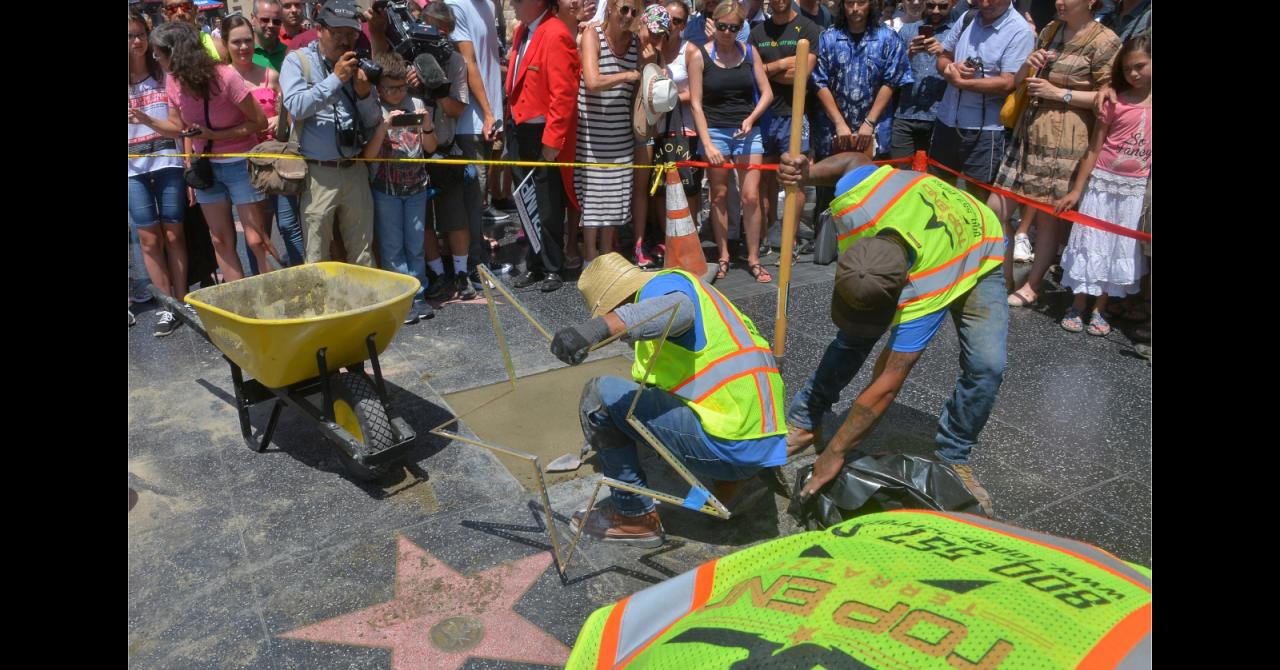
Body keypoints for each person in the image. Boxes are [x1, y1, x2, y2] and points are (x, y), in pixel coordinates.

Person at [779, 149, 1007, 516]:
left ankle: (953, 456)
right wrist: (807, 173)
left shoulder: (924, 289)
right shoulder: (861, 201)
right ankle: (806, 421)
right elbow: (853, 160)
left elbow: (888, 381)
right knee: (852, 338)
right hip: (926, 241)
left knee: (987, 366)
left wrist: (835, 453)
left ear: (902, 290)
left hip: (977, 247)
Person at [552, 253, 787, 547]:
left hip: (732, 442)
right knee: (638, 402)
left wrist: (594, 331)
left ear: (619, 303)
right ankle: (736, 481)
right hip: (761, 435)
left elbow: (678, 310)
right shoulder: (697, 291)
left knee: (597, 395)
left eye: (611, 313)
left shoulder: (662, 291)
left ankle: (633, 515)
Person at [998, 0, 1120, 308]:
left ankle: (1034, 285)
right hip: (1030, 128)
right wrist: (1029, 62)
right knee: (997, 206)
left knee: (1048, 217)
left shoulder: (1105, 41)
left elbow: (1109, 99)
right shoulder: (1051, 30)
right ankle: (1005, 276)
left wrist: (1060, 93)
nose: (1058, 2)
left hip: (1067, 136)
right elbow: (1019, 81)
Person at [145, 21, 270, 285]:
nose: (155, 58)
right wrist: (146, 121)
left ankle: (272, 291)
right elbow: (176, 127)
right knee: (220, 239)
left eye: (158, 53)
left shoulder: (225, 76)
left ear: (175, 52)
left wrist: (214, 135)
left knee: (256, 239)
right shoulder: (172, 81)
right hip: (206, 167)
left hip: (240, 162)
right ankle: (239, 298)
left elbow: (258, 123)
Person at [1053, 34, 1149, 336]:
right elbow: (1094, 148)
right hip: (1103, 184)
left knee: (1117, 247)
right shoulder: (1114, 101)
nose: (1132, 74)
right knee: (1091, 242)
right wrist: (1077, 190)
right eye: (1126, 69)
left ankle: (1100, 308)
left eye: (1140, 66)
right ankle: (1078, 304)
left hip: (1135, 190)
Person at [280, 0, 383, 266]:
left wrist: (363, 95)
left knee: (363, 251)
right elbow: (296, 106)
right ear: (319, 30)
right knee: (316, 254)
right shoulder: (298, 61)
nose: (345, 40)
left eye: (350, 33)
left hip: (355, 168)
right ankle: (321, 308)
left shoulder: (358, 62)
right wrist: (335, 79)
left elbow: (373, 119)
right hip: (318, 173)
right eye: (337, 32)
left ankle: (364, 306)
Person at [688, 0, 774, 283]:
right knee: (720, 196)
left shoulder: (749, 51)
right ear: (713, 24)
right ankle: (723, 254)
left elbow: (766, 93)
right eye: (722, 26)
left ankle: (753, 257)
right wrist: (708, 144)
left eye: (733, 28)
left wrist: (752, 119)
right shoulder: (700, 55)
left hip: (747, 131)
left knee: (751, 196)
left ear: (741, 28)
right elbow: (696, 104)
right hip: (715, 131)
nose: (726, 32)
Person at [507, 0, 582, 293]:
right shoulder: (522, 32)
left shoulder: (555, 33)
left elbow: (564, 94)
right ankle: (536, 262)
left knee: (548, 202)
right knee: (526, 200)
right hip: (519, 129)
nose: (512, 3)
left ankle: (553, 265)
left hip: (542, 133)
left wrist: (552, 141)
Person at [930, 0, 1034, 198]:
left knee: (977, 199)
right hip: (946, 122)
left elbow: (1008, 83)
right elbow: (943, 57)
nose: (985, 4)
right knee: (937, 192)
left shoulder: (1020, 31)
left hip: (985, 132)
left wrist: (962, 83)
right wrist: (950, 68)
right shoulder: (968, 18)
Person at [363, 53, 439, 324]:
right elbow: (369, 156)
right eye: (391, 88)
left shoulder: (416, 102)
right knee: (392, 246)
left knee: (415, 244)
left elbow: (431, 148)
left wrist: (427, 125)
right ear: (379, 88)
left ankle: (418, 296)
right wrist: (384, 126)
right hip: (386, 189)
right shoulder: (374, 109)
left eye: (402, 87)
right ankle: (401, 298)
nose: (398, 93)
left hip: (416, 186)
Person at [129, 8, 190, 337]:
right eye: (130, 35)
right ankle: (168, 306)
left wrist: (147, 120)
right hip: (132, 169)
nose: (136, 41)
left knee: (173, 234)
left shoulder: (164, 73)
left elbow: (178, 126)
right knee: (149, 240)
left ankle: (182, 301)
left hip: (167, 160)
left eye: (140, 34)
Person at [417, 1, 480, 303]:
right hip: (413, 151)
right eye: (433, 29)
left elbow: (456, 108)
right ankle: (437, 275)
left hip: (444, 147)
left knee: (454, 215)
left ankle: (461, 273)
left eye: (444, 32)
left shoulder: (455, 60)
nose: (438, 37)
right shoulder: (406, 54)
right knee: (423, 220)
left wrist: (436, 87)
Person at [750, 0, 821, 253]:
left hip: (796, 114)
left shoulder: (808, 28)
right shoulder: (757, 32)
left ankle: (789, 239)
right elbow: (753, 73)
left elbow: (801, 74)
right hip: (765, 114)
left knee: (794, 178)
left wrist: (767, 70)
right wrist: (782, 64)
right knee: (764, 179)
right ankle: (767, 236)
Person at [575, 0, 642, 265]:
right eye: (624, 9)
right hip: (592, 131)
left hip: (621, 132)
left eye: (634, 12)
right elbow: (592, 81)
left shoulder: (635, 42)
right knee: (593, 197)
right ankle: (590, 258)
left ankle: (606, 256)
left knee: (614, 198)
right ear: (611, 7)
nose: (628, 16)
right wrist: (627, 76)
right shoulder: (593, 35)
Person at [222, 13, 283, 276]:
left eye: (247, 40)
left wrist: (280, 116)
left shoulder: (271, 75)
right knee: (256, 234)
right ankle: (263, 281)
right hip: (244, 163)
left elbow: (287, 111)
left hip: (277, 161)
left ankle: (296, 276)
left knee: (290, 227)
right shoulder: (222, 79)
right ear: (225, 44)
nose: (244, 47)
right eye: (236, 42)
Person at [890, 0, 952, 159]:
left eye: (943, 6)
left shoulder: (956, 34)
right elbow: (892, 74)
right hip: (905, 114)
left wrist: (943, 54)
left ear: (952, 5)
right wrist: (908, 54)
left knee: (933, 177)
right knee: (901, 175)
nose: (936, 11)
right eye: (931, 5)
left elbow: (961, 71)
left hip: (939, 118)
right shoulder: (907, 31)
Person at [161, 0, 228, 61]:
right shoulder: (159, 51)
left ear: (196, 9)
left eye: (186, 6)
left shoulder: (218, 46)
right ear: (165, 14)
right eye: (172, 8)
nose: (180, 13)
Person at [251, 0, 290, 72]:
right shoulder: (242, 53)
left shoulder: (289, 53)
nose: (271, 25)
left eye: (276, 22)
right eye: (265, 20)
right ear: (253, 18)